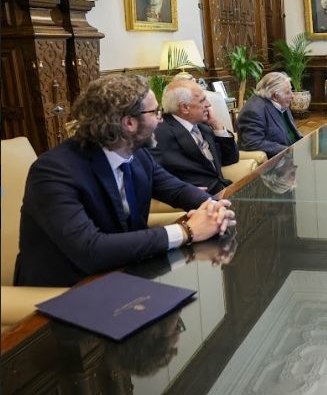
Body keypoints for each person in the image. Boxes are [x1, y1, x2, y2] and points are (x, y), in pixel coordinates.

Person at [14, 74, 235, 287]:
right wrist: (187, 231)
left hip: (126, 275)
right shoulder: (54, 171)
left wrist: (214, 209)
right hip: (67, 290)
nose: (160, 120)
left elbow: (177, 190)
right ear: (129, 123)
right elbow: (91, 250)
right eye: (155, 112)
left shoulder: (138, 155)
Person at [150, 79, 239, 194]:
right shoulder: (159, 134)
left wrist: (216, 125)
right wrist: (183, 192)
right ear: (184, 107)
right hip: (199, 199)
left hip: (224, 191)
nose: (208, 104)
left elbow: (231, 158)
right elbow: (151, 178)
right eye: (202, 100)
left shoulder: (203, 126)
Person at [237, 72, 303, 157]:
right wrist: (288, 150)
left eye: (291, 90)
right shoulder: (253, 111)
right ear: (275, 96)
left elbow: (291, 132)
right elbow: (253, 143)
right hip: (277, 159)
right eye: (287, 92)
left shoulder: (281, 102)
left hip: (294, 153)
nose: (292, 96)